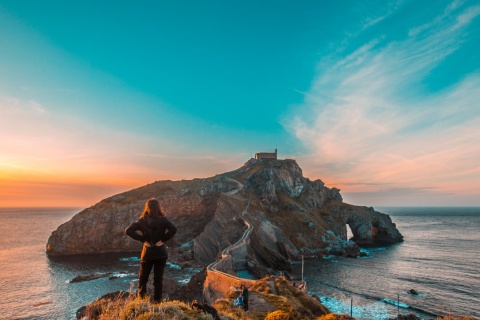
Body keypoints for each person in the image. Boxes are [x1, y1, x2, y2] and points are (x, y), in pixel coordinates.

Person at [125, 198, 177, 302]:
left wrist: (143, 239)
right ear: (159, 207)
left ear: (147, 208)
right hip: (161, 253)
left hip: (147, 253)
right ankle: (157, 302)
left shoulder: (142, 221)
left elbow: (128, 231)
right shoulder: (164, 220)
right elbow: (174, 229)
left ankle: (141, 301)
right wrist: (163, 240)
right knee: (158, 280)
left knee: (143, 279)